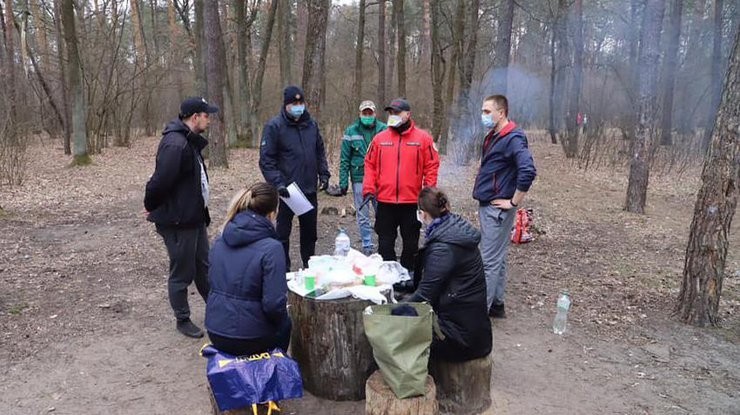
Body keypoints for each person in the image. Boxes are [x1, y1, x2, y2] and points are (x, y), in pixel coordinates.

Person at [144, 96, 219, 338]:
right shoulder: (175, 144)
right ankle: (183, 319)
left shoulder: (189, 141)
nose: (209, 120)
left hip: (194, 218)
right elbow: (159, 182)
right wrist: (150, 205)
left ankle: (218, 310)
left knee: (204, 267)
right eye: (207, 115)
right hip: (178, 221)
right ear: (195, 117)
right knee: (182, 272)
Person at [205, 183, 291, 356]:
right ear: (272, 214)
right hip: (252, 336)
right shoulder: (272, 249)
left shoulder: (220, 240)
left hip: (215, 329)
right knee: (286, 323)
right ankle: (273, 369)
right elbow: (274, 305)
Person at [408, 187, 492, 362]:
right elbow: (432, 277)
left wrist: (391, 312)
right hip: (474, 327)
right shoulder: (452, 228)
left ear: (423, 214)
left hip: (461, 338)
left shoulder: (443, 247)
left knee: (403, 338)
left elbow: (425, 295)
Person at [474, 94, 537, 318]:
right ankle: (497, 305)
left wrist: (513, 201)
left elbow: (528, 170)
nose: (484, 116)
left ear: (501, 113)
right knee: (497, 258)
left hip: (497, 210)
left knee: (488, 261)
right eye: (483, 111)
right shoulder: (494, 136)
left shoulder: (513, 138)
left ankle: (478, 317)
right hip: (490, 205)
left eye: (487, 111)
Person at [362, 98, 439, 273]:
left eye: (397, 113)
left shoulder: (423, 139)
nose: (393, 116)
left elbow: (432, 165)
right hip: (385, 201)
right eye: (390, 113)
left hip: (411, 202)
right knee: (385, 242)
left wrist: (428, 191)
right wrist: (369, 187)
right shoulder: (380, 139)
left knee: (411, 242)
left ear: (408, 114)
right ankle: (389, 276)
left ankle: (408, 276)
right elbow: (370, 164)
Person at [259, 85, 331, 269]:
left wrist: (323, 173)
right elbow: (266, 160)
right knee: (282, 234)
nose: (298, 106)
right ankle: (283, 271)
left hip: (308, 188)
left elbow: (319, 151)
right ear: (286, 105)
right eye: (294, 103)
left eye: (301, 102)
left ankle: (309, 267)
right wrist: (278, 184)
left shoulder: (311, 125)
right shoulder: (274, 127)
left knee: (309, 234)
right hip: (286, 191)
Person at [338, 100, 387, 255]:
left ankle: (384, 243)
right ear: (360, 114)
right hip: (359, 177)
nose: (367, 115)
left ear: (375, 113)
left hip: (381, 179)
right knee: (363, 214)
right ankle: (367, 245)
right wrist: (343, 181)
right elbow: (344, 158)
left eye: (370, 113)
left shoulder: (384, 130)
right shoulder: (351, 131)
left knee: (383, 214)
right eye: (364, 113)